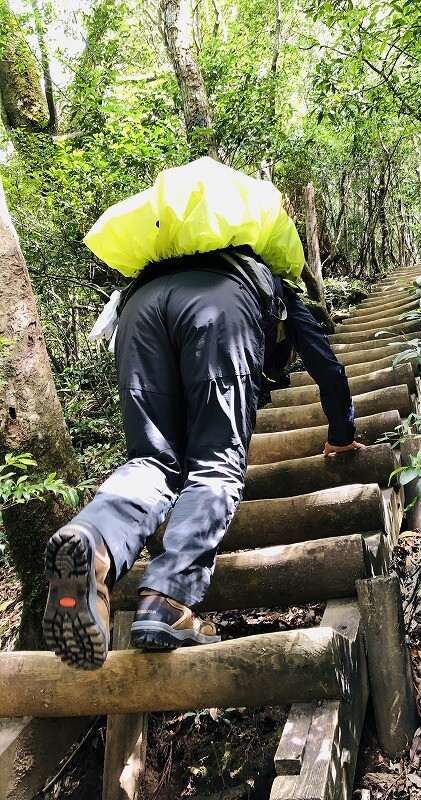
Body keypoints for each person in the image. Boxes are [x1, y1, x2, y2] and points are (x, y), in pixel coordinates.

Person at [42, 162, 362, 671]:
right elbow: (325, 364)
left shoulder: (159, 267)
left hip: (140, 311)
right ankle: (166, 600)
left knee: (150, 460)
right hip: (220, 309)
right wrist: (342, 433)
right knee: (214, 462)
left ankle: (94, 545)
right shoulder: (267, 277)